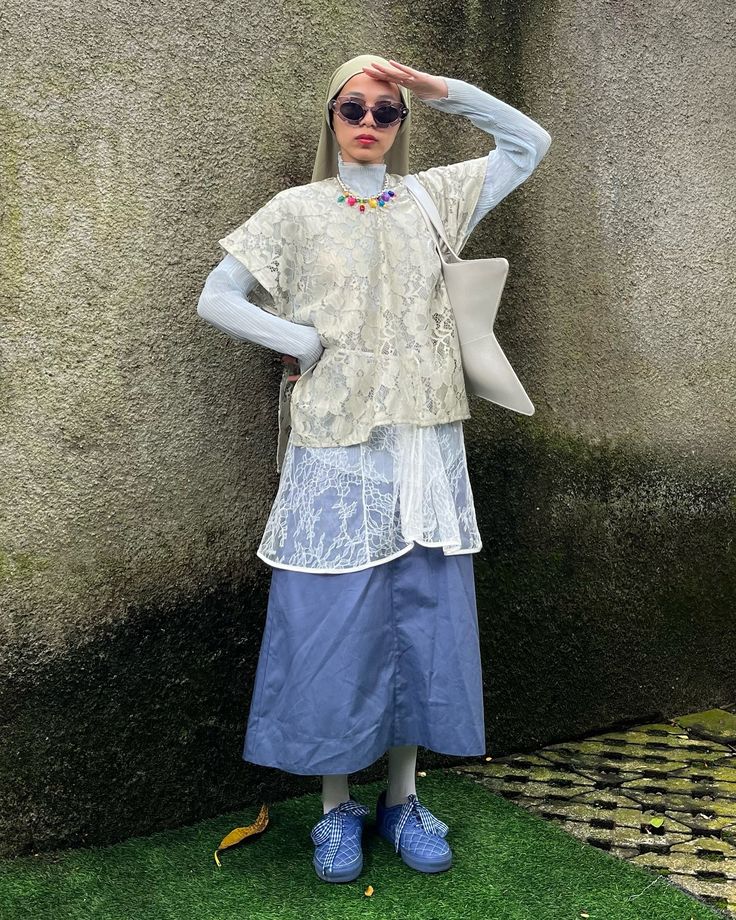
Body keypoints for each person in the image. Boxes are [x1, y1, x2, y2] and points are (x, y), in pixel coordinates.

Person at [197, 54, 551, 883]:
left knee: (420, 616)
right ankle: (334, 810)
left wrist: (443, 92)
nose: (368, 120)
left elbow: (528, 143)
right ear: (331, 115)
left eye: (386, 111)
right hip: (339, 449)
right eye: (352, 106)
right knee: (336, 626)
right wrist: (301, 342)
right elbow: (218, 295)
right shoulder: (296, 210)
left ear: (400, 123)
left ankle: (403, 797)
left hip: (426, 443)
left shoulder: (435, 197)